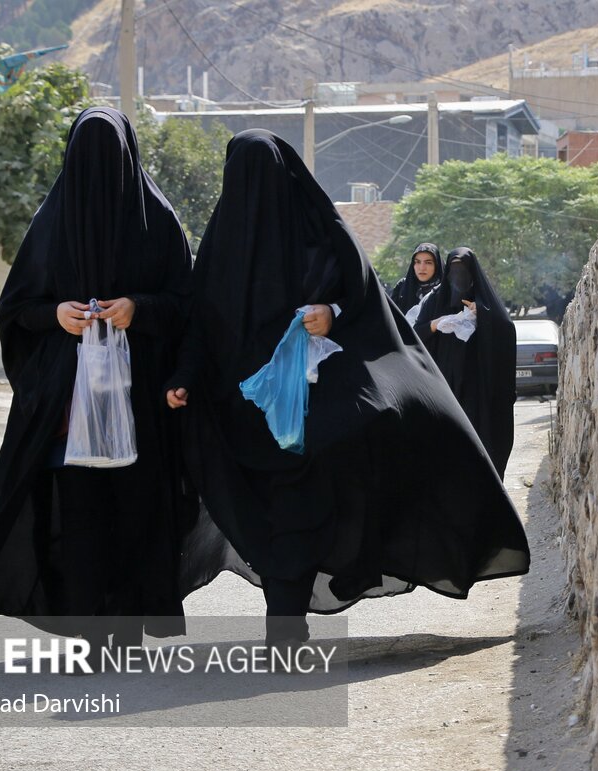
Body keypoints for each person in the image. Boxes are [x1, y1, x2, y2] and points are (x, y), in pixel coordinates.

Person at [165, 130, 529, 648]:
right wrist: (183, 378)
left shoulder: (319, 233)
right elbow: (201, 323)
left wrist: (329, 313)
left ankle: (287, 624)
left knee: (300, 507)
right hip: (240, 410)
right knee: (261, 513)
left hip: (312, 405)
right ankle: (293, 606)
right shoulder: (223, 247)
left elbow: (361, 294)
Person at [0, 107, 194, 649]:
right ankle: (85, 637)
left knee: (136, 515)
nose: (99, 171)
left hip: (140, 408)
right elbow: (17, 309)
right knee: (81, 521)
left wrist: (140, 307)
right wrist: (55, 315)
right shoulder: (52, 225)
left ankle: (127, 632)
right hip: (69, 411)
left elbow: (189, 305)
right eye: (87, 157)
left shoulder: (155, 222)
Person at [414, 247, 517, 478]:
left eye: (463, 270)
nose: (458, 277)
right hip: (443, 386)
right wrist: (435, 324)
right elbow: (413, 335)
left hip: (477, 389)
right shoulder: (434, 302)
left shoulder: (484, 301)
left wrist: (482, 315)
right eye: (453, 270)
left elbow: (506, 330)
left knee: (481, 444)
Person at [389, 242, 443, 323]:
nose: (422, 268)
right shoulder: (403, 286)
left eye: (428, 263)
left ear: (437, 265)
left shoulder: (444, 289)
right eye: (417, 262)